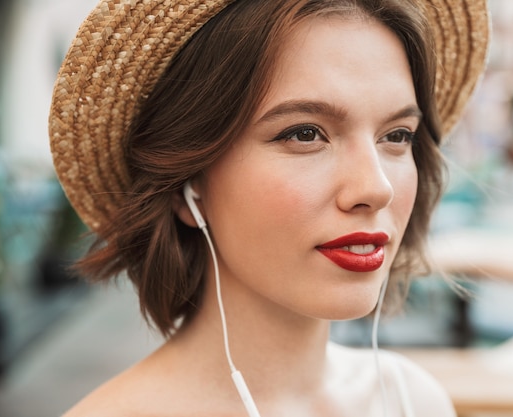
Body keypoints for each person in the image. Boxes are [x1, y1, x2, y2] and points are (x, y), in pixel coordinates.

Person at [49, 0, 489, 416]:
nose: (376, 188)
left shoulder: (412, 400)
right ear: (189, 182)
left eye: (397, 135)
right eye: (304, 133)